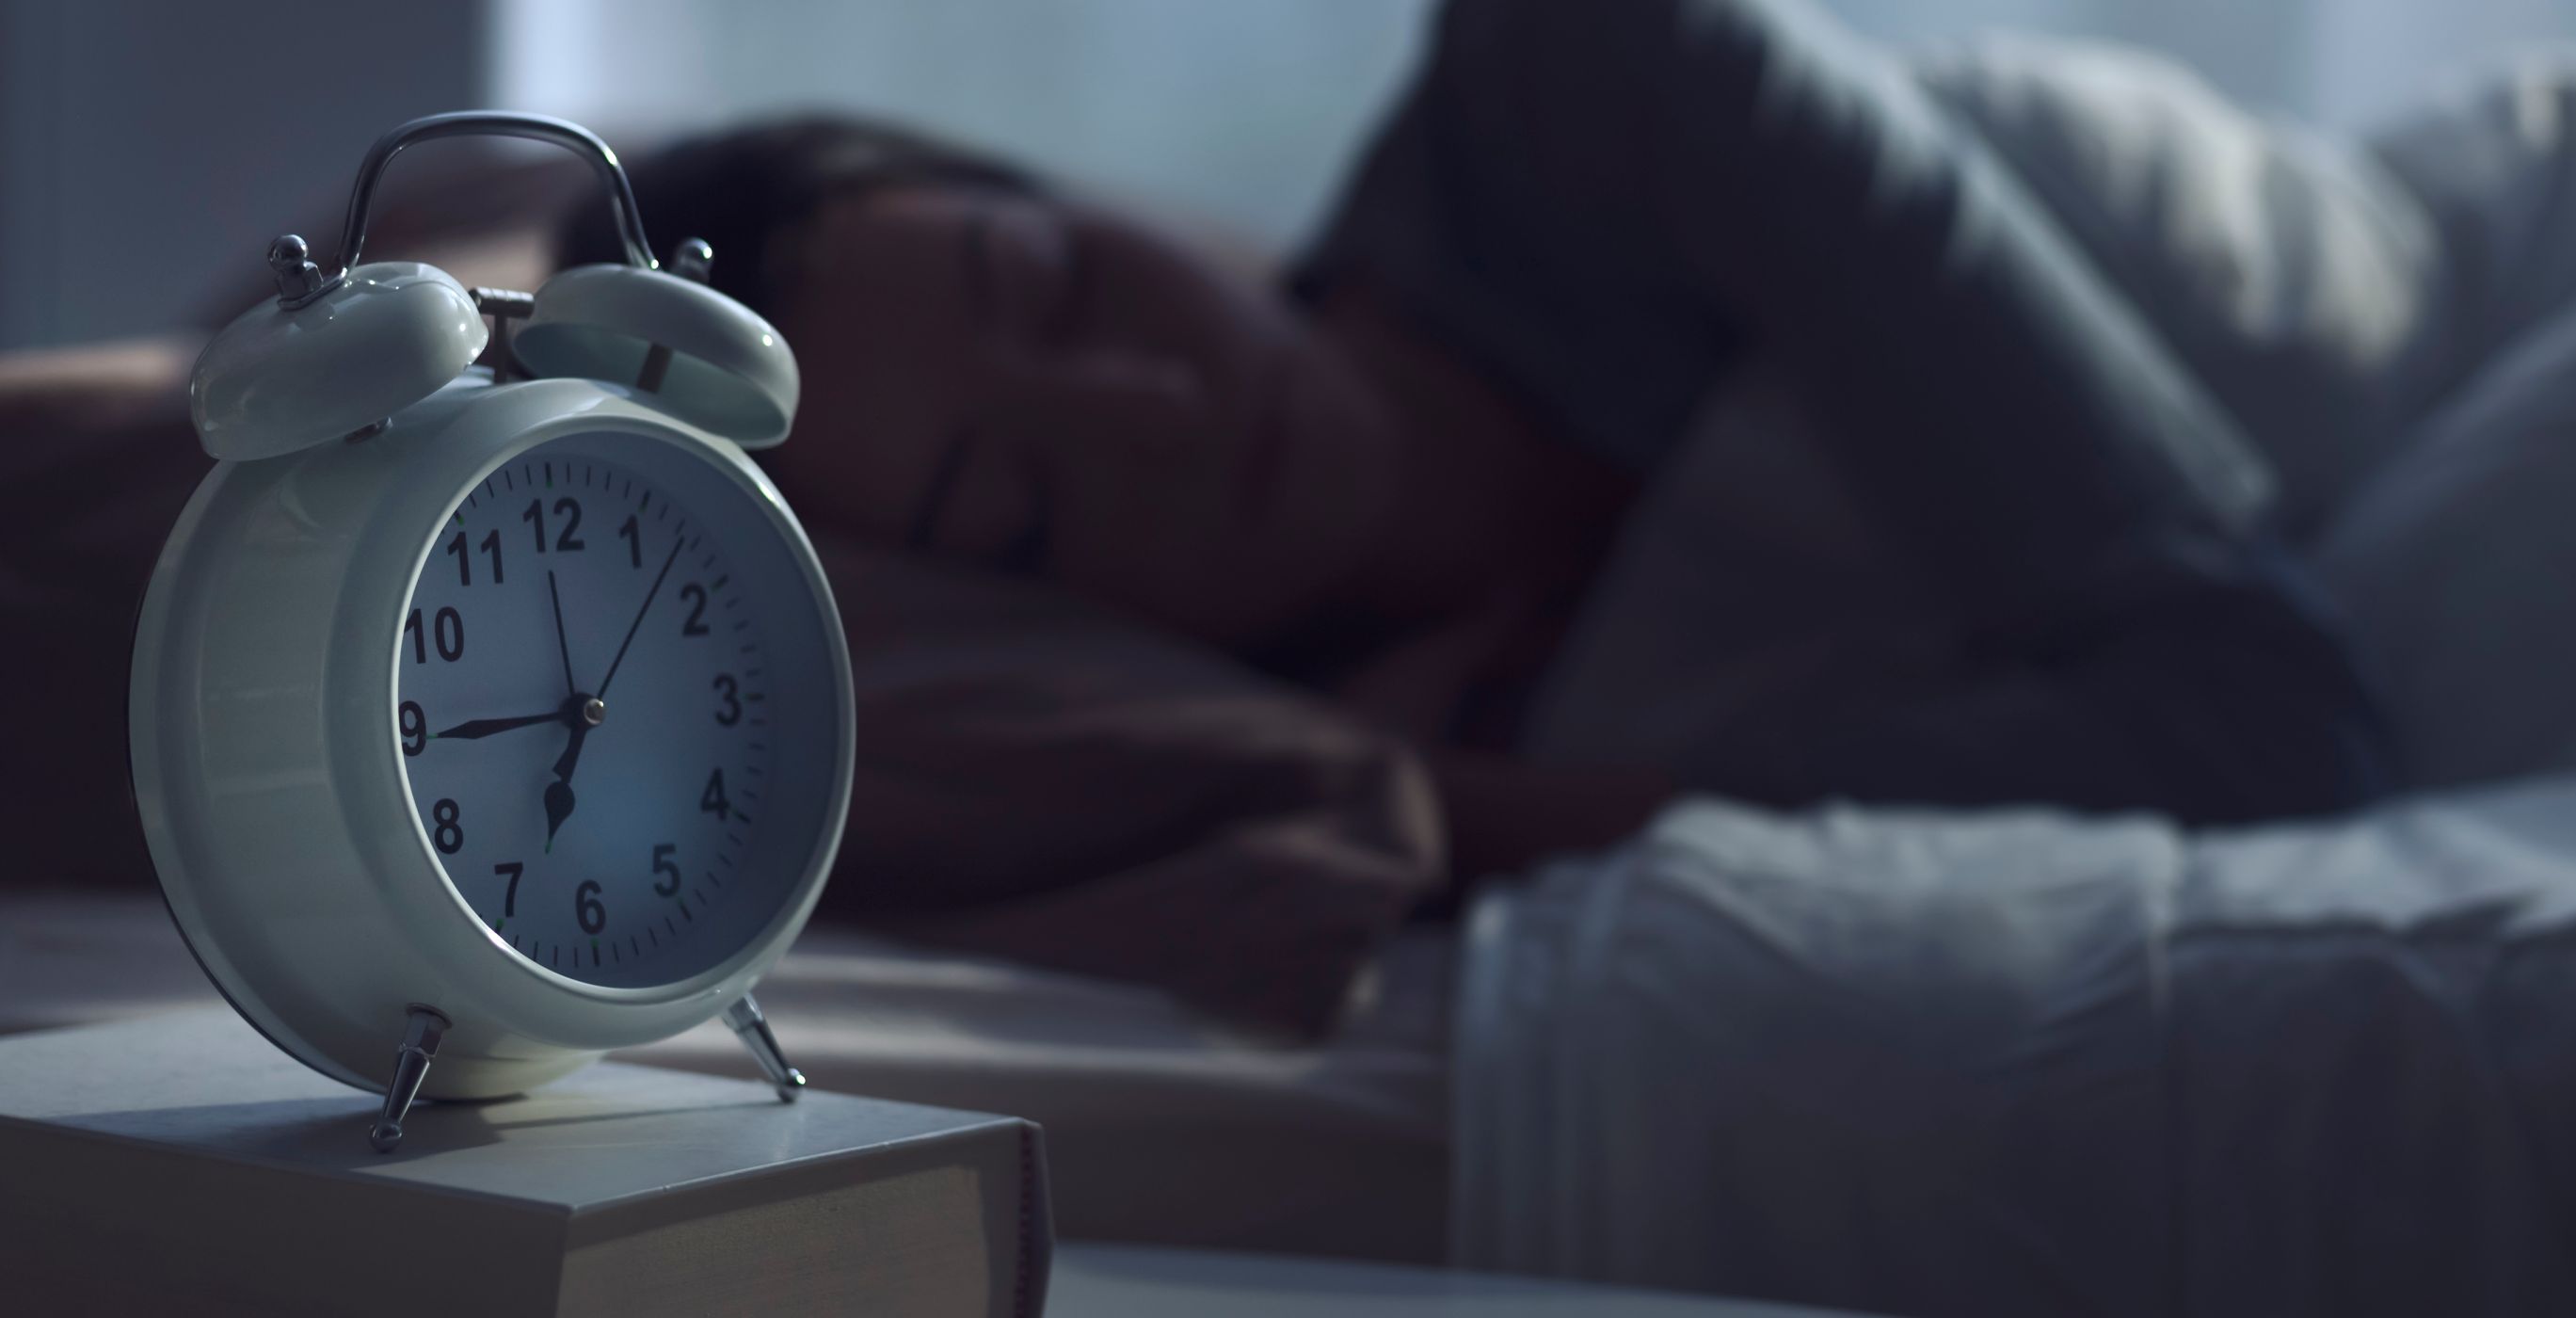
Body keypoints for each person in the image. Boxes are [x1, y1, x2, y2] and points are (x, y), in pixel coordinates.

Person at [555, 0, 2391, 1031]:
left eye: (1055, 287)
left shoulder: (1589, 80)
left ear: (1058, 188)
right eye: (1027, 510)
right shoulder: (1309, 761)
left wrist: (1510, 817)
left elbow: (2271, 716)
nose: (1153, 411)